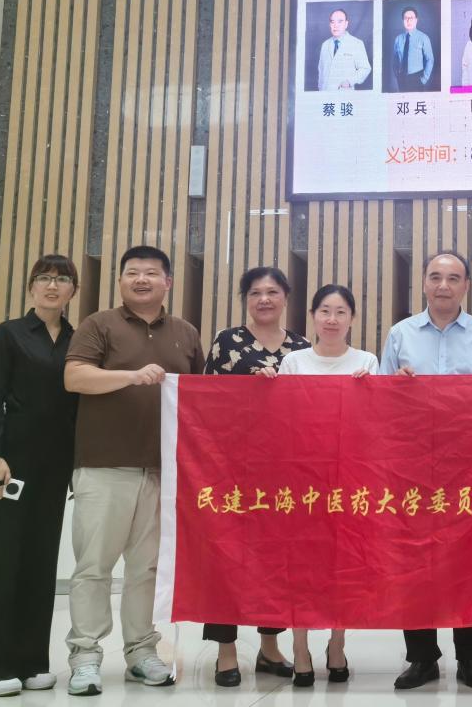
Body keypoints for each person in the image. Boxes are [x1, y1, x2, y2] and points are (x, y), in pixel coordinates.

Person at [62, 245, 203, 696]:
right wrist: (130, 375)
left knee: (147, 569)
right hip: (104, 467)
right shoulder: (98, 324)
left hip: (164, 473)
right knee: (94, 567)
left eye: (151, 273)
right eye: (132, 272)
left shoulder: (185, 333)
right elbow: (75, 378)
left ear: (168, 282)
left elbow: (200, 398)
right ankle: (85, 655)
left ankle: (142, 652)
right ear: (121, 280)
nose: (141, 279)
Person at [380, 251, 472, 691]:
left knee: (469, 559)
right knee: (415, 559)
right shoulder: (401, 334)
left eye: (453, 278)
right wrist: (398, 385)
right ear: (423, 283)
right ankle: (421, 658)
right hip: (412, 465)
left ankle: (469, 656)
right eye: (435, 277)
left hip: (470, 464)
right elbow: (379, 399)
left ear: (466, 285)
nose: (443, 285)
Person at [0, 255, 79, 697]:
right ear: (32, 287)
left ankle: (32, 662)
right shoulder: (9, 333)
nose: (52, 285)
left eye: (62, 279)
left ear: (73, 290)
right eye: (44, 278)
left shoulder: (77, 339)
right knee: (2, 560)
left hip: (57, 464)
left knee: (40, 561)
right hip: (11, 462)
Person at [201, 267, 309, 687]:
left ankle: (269, 647)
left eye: (272, 292)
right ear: (245, 299)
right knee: (225, 557)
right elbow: (207, 400)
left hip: (284, 471)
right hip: (231, 467)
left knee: (276, 560)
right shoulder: (227, 341)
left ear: (286, 298)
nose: (264, 299)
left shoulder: (301, 347)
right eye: (255, 292)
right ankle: (226, 651)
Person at [278, 284, 378, 686]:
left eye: (340, 312)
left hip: (350, 478)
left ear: (352, 318)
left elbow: (378, 421)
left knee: (343, 563)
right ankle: (300, 647)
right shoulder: (294, 362)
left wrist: (369, 390)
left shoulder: (367, 361)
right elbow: (279, 418)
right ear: (313, 317)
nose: (332, 319)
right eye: (324, 311)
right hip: (302, 479)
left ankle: (337, 643)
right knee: (300, 564)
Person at [317, 8, 371, 91]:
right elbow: (321, 70)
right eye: (332, 22)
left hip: (344, 93)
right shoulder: (325, 45)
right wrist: (320, 90)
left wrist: (350, 81)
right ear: (330, 24)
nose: (336, 25)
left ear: (346, 24)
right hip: (325, 93)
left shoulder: (356, 43)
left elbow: (365, 68)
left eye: (340, 21)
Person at [390, 6, 435, 92]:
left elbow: (430, 59)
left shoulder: (423, 38)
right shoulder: (398, 39)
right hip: (401, 78)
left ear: (416, 20)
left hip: (416, 79)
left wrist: (424, 79)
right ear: (402, 20)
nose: (408, 21)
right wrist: (397, 75)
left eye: (411, 18)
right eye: (406, 18)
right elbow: (395, 59)